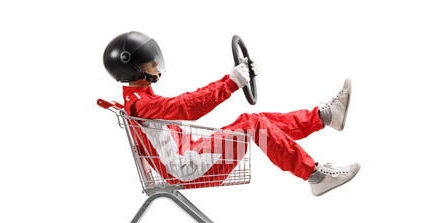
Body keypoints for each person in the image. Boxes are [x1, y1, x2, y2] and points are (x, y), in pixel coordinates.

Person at [103, 31, 360, 196]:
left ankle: (325, 117)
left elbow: (183, 105)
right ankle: (315, 175)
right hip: (186, 168)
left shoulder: (140, 98)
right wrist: (231, 83)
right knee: (253, 125)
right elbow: (187, 107)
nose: (157, 66)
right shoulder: (142, 105)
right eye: (151, 62)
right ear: (133, 67)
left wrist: (236, 79)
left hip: (190, 156)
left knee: (253, 122)